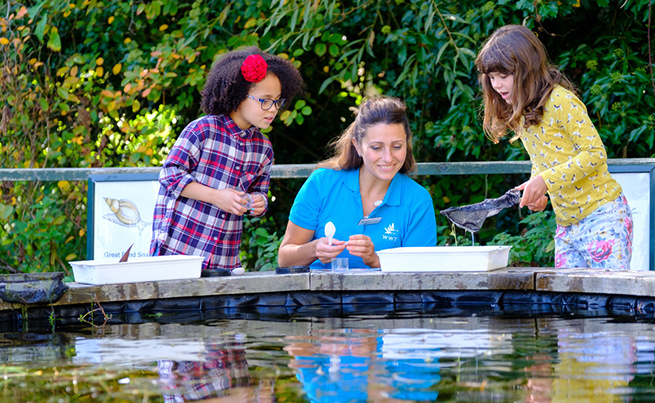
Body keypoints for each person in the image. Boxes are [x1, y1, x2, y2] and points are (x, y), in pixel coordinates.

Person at [475, 25, 633, 270]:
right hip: (566, 226)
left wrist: (545, 181)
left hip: (603, 218)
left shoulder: (561, 100)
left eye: (503, 76)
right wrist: (538, 189)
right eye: (491, 78)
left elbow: (595, 154)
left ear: (527, 69)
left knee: (608, 301)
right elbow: (542, 157)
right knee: (569, 305)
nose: (496, 85)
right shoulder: (521, 111)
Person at [150, 47, 304, 276]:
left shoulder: (263, 148)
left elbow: (259, 194)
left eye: (277, 101)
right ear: (238, 96)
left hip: (224, 260)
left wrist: (256, 202)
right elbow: (170, 174)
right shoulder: (202, 130)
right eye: (264, 100)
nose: (272, 109)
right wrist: (216, 196)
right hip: (178, 252)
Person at [278, 97, 437, 270]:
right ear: (358, 146)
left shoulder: (418, 200)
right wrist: (314, 249)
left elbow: (422, 272)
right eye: (377, 147)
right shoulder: (321, 183)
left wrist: (376, 261)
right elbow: (285, 259)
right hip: (319, 296)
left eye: (397, 146)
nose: (388, 157)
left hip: (387, 297)